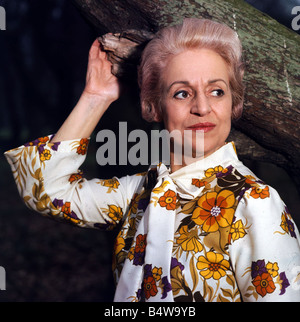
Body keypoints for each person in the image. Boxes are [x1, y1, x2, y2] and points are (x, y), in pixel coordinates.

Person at [5, 18, 300, 302]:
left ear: (233, 103)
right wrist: (96, 96)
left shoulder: (256, 202)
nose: (202, 107)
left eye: (217, 91)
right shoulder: (139, 192)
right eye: (182, 93)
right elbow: (43, 190)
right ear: (154, 107)